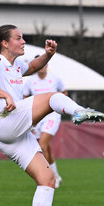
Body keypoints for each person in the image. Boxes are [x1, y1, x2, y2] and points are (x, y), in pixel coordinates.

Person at [0, 24, 104, 206]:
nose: (23, 41)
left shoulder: (14, 66)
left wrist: (48, 55)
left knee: (47, 179)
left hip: (11, 136)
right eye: (19, 38)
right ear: (5, 43)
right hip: (4, 122)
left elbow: (33, 66)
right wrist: (5, 95)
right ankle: (78, 112)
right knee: (52, 97)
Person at [23, 55, 66, 188]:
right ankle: (56, 176)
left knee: (42, 145)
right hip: (37, 118)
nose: (42, 67)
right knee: (45, 147)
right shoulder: (30, 81)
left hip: (52, 116)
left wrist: (61, 106)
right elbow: (24, 98)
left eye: (44, 64)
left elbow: (64, 93)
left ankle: (49, 178)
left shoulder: (55, 79)